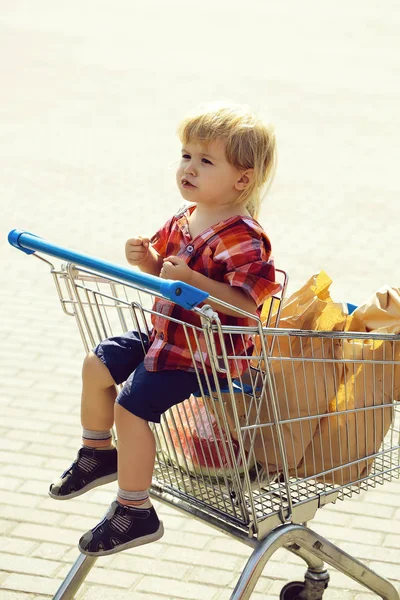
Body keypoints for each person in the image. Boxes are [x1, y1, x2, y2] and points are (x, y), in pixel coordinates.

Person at [49, 103, 280, 557]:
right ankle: (98, 453)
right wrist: (147, 262)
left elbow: (247, 306)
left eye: (205, 161)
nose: (188, 168)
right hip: (166, 339)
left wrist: (193, 280)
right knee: (97, 364)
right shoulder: (183, 216)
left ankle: (135, 511)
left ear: (242, 180)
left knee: (132, 406)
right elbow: (167, 278)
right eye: (186, 155)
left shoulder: (245, 237)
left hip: (208, 355)